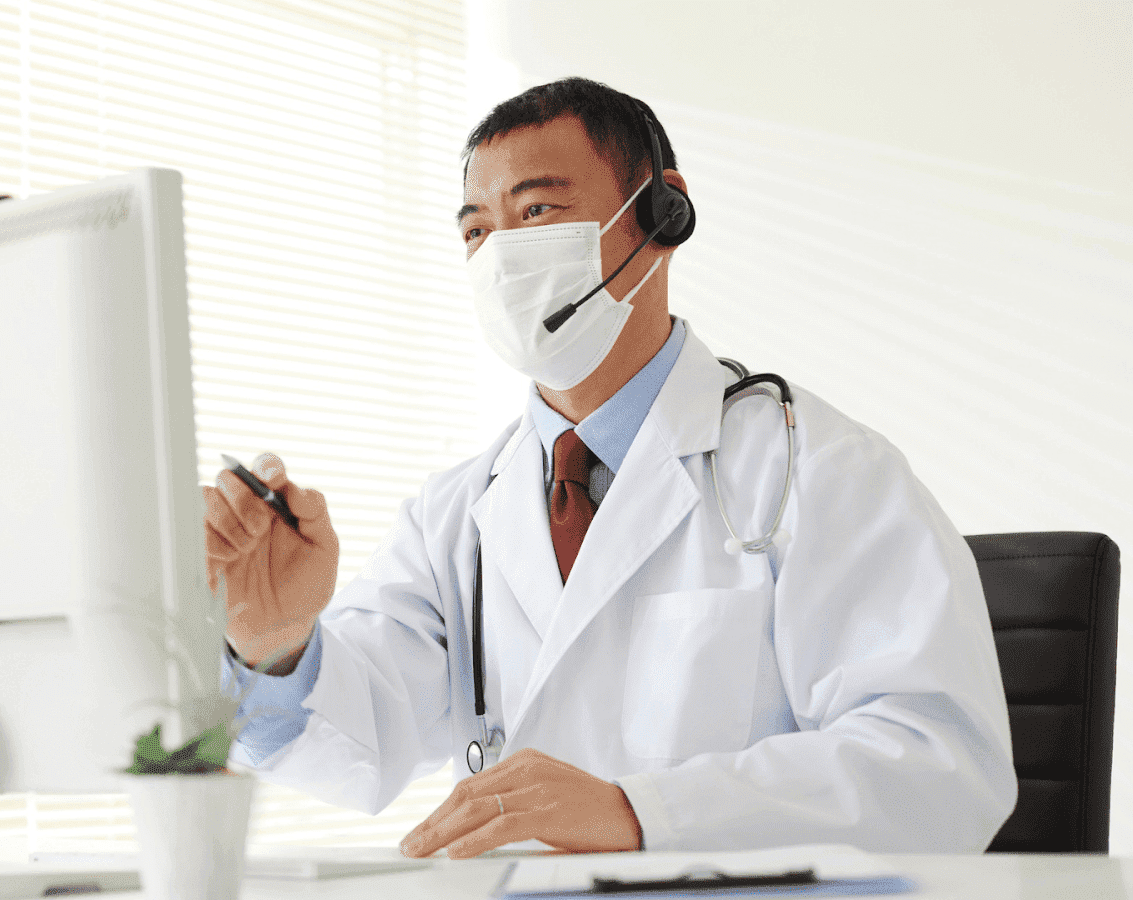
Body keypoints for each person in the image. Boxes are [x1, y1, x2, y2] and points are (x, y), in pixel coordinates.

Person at [204, 77, 1016, 857]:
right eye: (477, 231)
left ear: (662, 213)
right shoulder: (453, 514)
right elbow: (359, 746)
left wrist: (641, 812)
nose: (502, 257)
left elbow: (935, 767)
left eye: (538, 211)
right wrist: (274, 646)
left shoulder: (822, 471)